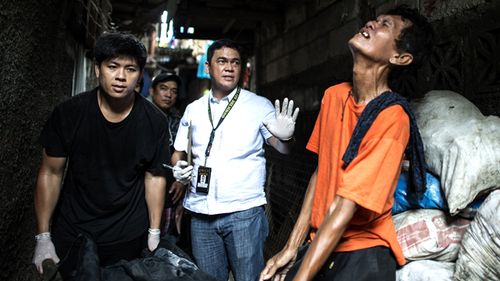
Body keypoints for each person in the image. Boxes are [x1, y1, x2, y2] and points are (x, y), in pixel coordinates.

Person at [260, 5, 433, 281]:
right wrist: (291, 247)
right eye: (375, 19)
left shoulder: (392, 117)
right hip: (321, 244)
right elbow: (322, 172)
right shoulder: (334, 96)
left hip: (363, 254)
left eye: (385, 25)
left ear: (400, 57)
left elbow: (345, 204)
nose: (372, 24)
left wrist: (300, 277)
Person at [32, 32, 171, 279]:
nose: (120, 76)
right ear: (98, 69)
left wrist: (154, 231)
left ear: (140, 75)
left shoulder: (155, 121)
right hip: (74, 232)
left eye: (130, 69)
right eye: (112, 66)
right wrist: (43, 237)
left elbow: (155, 177)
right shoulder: (69, 114)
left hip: (128, 235)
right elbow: (51, 172)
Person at [171, 38, 300, 281]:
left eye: (235, 62)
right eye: (222, 61)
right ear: (208, 67)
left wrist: (287, 137)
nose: (229, 67)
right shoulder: (194, 109)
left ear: (241, 69)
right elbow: (179, 150)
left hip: (243, 214)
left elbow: (282, 149)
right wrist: (178, 167)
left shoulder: (259, 106)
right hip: (200, 214)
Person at [149, 72, 185, 241]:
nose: (169, 94)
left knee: (165, 235)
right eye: (163, 89)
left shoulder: (177, 121)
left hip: (169, 185)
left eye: (174, 91)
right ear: (151, 91)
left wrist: (180, 180)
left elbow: (180, 152)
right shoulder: (140, 115)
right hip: (142, 184)